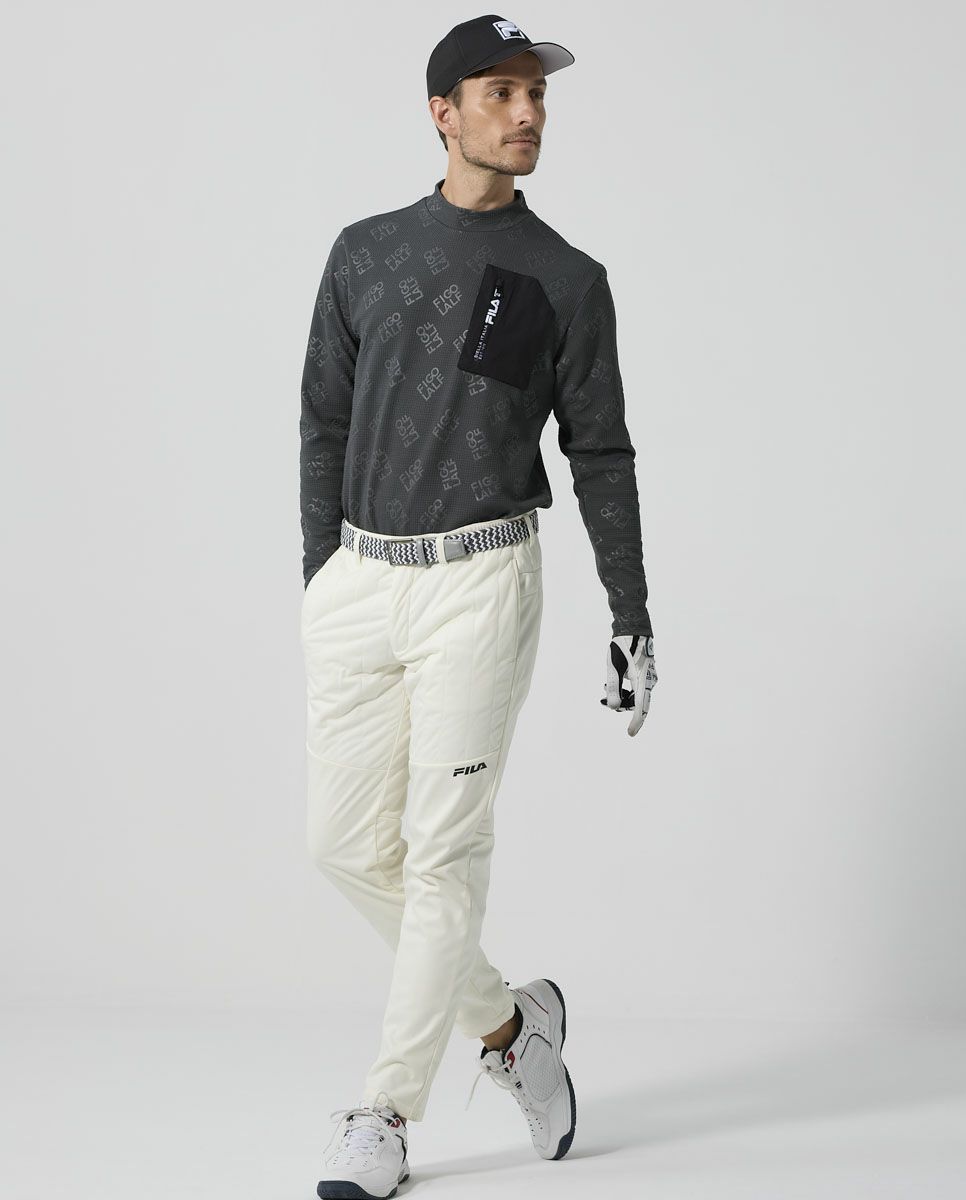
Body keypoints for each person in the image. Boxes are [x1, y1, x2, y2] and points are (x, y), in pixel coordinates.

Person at [299, 13, 658, 1198]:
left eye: (536, 94)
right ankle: (510, 1027)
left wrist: (629, 612)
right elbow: (324, 421)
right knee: (345, 849)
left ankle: (383, 1114)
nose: (527, 111)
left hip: (481, 580)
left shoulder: (565, 279)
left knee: (442, 856)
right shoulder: (364, 253)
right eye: (499, 92)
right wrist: (322, 576)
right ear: (442, 112)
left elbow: (600, 452)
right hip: (360, 582)